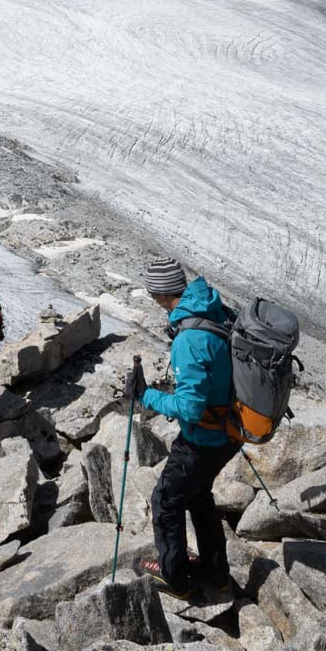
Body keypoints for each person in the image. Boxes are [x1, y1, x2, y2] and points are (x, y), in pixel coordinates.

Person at [129, 256, 239, 599]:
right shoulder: (211, 308)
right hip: (229, 432)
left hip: (202, 439)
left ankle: (176, 579)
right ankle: (216, 573)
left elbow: (190, 408)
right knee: (198, 496)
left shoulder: (189, 339)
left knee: (166, 501)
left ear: (160, 295)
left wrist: (147, 396)